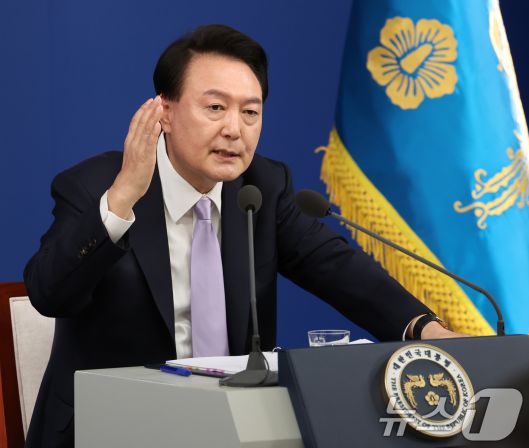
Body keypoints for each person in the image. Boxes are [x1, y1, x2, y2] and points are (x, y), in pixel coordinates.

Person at [23, 24, 462, 448]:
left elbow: (337, 267)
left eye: (250, 112)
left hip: (233, 427)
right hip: (114, 427)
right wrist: (122, 199)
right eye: (216, 108)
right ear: (165, 113)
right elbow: (49, 293)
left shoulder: (261, 188)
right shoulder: (97, 186)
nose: (234, 129)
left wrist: (424, 328)